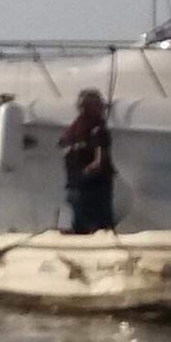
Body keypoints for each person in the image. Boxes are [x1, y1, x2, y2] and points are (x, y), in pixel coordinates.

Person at [59, 88, 115, 234]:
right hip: (82, 186)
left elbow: (99, 161)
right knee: (87, 223)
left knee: (92, 225)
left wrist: (83, 175)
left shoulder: (93, 130)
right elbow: (63, 144)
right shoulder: (81, 128)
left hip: (88, 186)